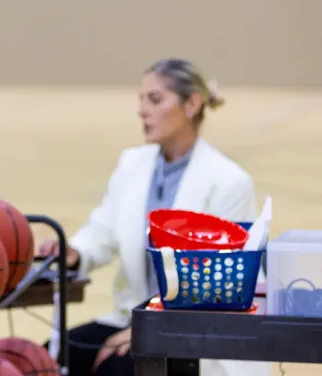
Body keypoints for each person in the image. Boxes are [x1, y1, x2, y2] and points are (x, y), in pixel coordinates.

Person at [38, 59, 270, 376]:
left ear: (192, 104)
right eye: (141, 99)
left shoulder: (229, 182)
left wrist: (152, 329)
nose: (142, 110)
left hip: (196, 331)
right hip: (133, 318)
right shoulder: (132, 163)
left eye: (155, 100)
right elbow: (103, 228)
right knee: (43, 361)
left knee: (115, 371)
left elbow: (216, 285)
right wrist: (75, 252)